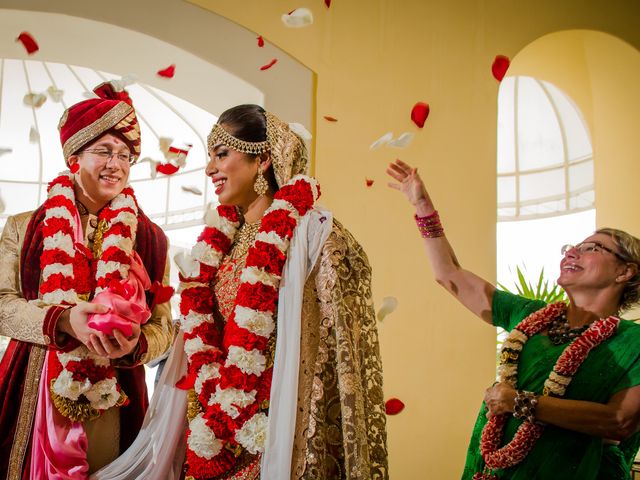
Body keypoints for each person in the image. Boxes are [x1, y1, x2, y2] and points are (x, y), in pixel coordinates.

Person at [93, 104, 388, 480]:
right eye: (209, 157)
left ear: (262, 159)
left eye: (221, 154)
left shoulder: (310, 236)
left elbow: (333, 345)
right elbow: (198, 332)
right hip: (206, 424)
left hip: (270, 428)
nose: (209, 169)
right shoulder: (219, 244)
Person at [386, 158, 640, 479]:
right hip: (491, 469)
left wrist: (519, 402)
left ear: (625, 271)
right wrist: (422, 205)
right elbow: (449, 274)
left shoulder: (632, 342)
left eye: (592, 248)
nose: (571, 252)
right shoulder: (532, 315)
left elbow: (620, 421)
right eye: (570, 247)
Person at [0, 82, 174, 479]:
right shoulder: (25, 227)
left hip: (117, 392)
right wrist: (62, 320)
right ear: (74, 157)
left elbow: (163, 324)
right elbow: (1, 305)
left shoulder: (150, 239)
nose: (116, 164)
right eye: (103, 152)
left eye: (125, 155)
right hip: (37, 383)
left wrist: (136, 344)